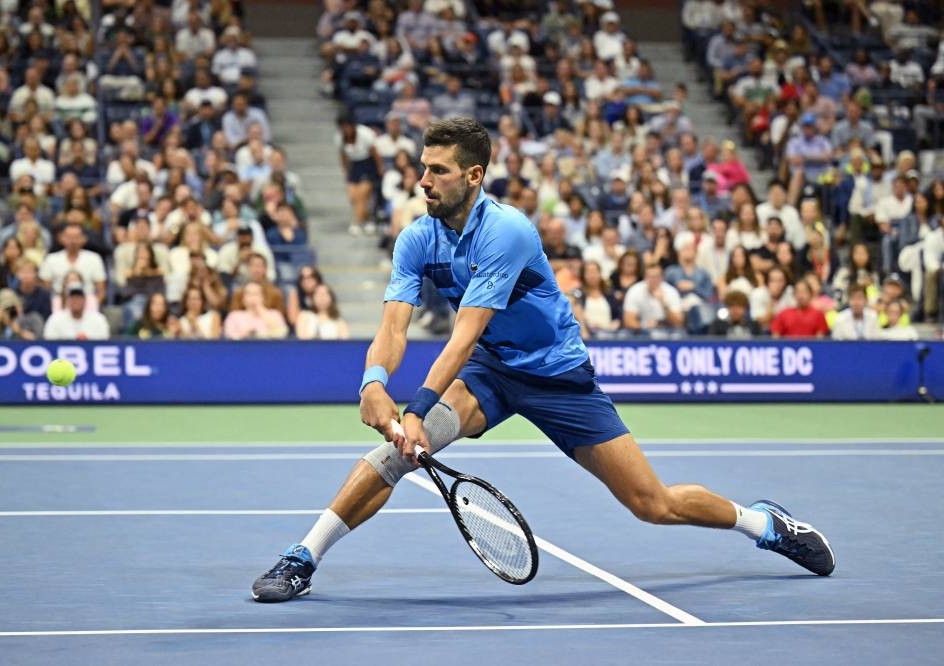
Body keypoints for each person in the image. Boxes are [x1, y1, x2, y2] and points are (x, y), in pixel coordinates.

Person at [251, 118, 835, 603]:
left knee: (651, 505)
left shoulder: (507, 232)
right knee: (391, 457)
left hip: (559, 379)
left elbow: (461, 335)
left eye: (438, 170)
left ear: (473, 175)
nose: (422, 180)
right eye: (422, 167)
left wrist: (416, 407)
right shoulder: (416, 240)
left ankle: (764, 524)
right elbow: (393, 328)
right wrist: (373, 382)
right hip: (491, 375)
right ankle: (302, 557)